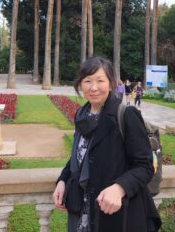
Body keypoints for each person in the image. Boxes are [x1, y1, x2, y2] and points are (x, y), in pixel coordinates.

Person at [52, 57, 161, 232]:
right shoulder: (82, 114)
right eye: (87, 81)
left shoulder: (126, 115)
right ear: (80, 84)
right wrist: (63, 179)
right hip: (83, 213)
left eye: (100, 80)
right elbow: (80, 155)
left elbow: (145, 166)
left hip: (117, 214)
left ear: (111, 84)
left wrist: (120, 187)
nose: (93, 87)